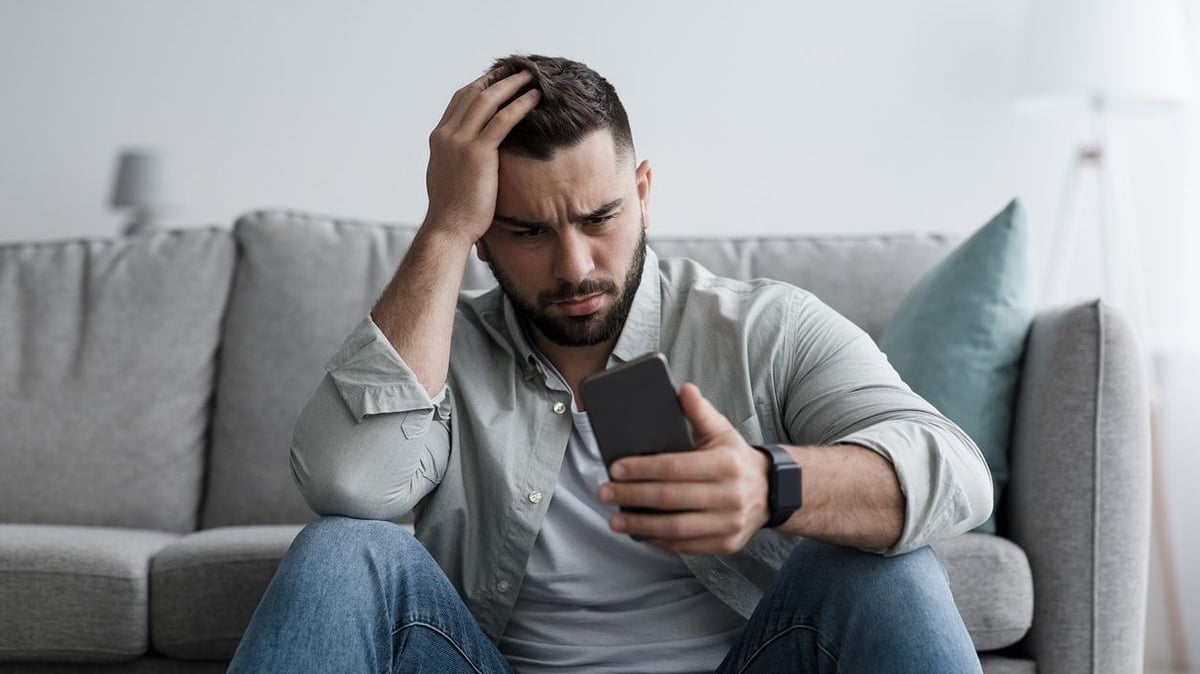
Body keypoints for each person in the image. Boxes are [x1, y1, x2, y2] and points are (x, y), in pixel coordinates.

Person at [228, 54, 992, 673]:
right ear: (484, 238)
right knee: (343, 551)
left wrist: (772, 484)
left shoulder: (763, 326)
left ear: (645, 192)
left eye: (601, 218)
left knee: (883, 567)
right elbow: (347, 484)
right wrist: (442, 228)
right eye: (527, 232)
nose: (574, 266)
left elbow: (957, 474)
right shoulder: (441, 349)